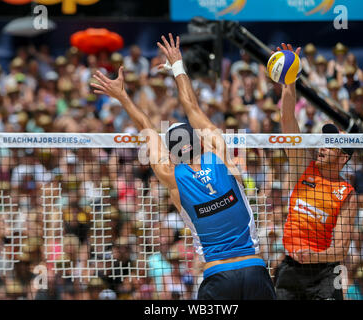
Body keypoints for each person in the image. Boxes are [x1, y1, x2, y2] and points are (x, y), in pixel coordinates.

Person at [91, 33, 276, 300]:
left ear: (171, 153)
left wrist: (123, 97)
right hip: (253, 269)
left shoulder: (171, 177)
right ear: (198, 140)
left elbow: (146, 127)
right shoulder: (219, 154)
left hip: (218, 277)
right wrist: (178, 66)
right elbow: (192, 107)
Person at [273, 43, 357, 300]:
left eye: (331, 146)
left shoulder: (346, 193)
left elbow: (340, 249)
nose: (323, 146)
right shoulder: (303, 167)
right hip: (290, 270)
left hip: (324, 273)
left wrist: (313, 255)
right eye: (323, 142)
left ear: (343, 158)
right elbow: (287, 121)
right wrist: (290, 82)